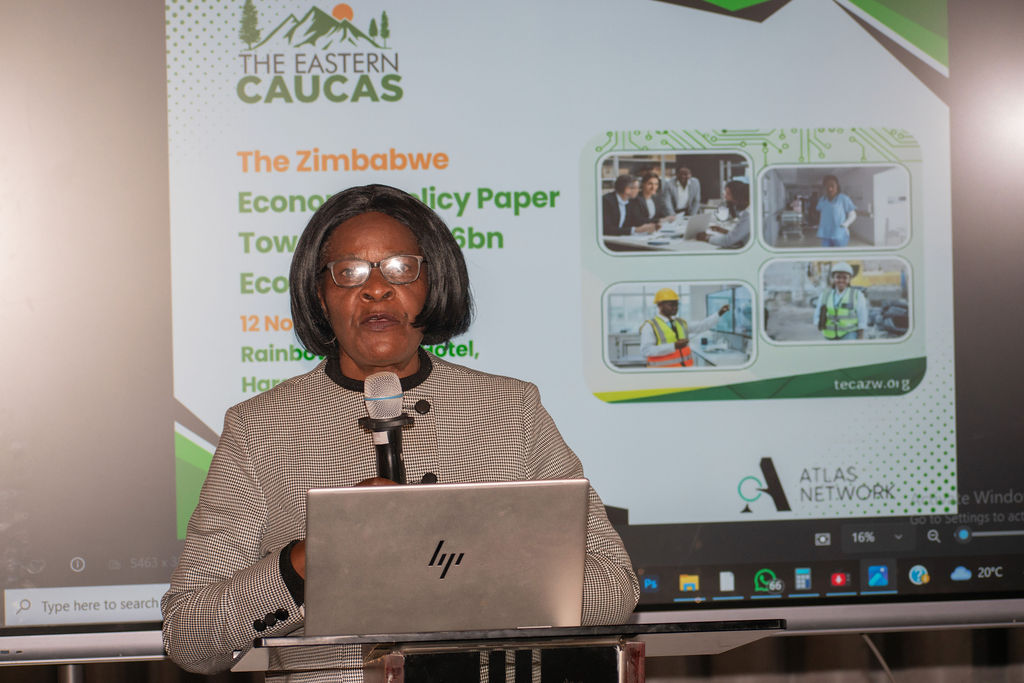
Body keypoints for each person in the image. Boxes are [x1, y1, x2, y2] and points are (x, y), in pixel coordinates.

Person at [162, 184, 639, 681]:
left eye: (400, 268)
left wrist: (466, 557)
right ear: (320, 296)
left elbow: (614, 587)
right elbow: (188, 637)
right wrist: (310, 560)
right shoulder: (261, 427)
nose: (376, 289)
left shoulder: (510, 409)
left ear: (432, 283)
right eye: (349, 271)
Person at [639, 288, 729, 367]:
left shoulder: (681, 323)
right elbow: (646, 351)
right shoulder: (650, 326)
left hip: (684, 371)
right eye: (671, 305)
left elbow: (702, 326)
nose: (675, 308)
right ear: (660, 305)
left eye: (677, 304)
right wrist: (673, 346)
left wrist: (719, 314)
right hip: (663, 373)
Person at [815, 261, 868, 340]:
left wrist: (860, 336)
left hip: (849, 335)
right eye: (838, 277)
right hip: (829, 336)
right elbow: (817, 315)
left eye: (845, 277)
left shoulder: (857, 295)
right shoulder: (825, 295)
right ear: (833, 278)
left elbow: (862, 317)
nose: (841, 280)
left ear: (849, 279)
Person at [697, 180, 750, 249]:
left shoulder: (748, 214)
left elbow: (728, 241)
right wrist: (724, 231)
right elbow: (740, 235)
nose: (725, 197)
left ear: (737, 195)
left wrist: (706, 238)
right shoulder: (747, 211)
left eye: (728, 194)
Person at [816, 175, 857, 247]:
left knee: (839, 253)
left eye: (832, 186)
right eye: (827, 186)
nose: (830, 188)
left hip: (839, 234)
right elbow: (822, 214)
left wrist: (844, 225)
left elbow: (853, 215)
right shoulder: (822, 200)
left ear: (837, 186)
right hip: (825, 234)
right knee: (826, 253)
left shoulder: (843, 198)